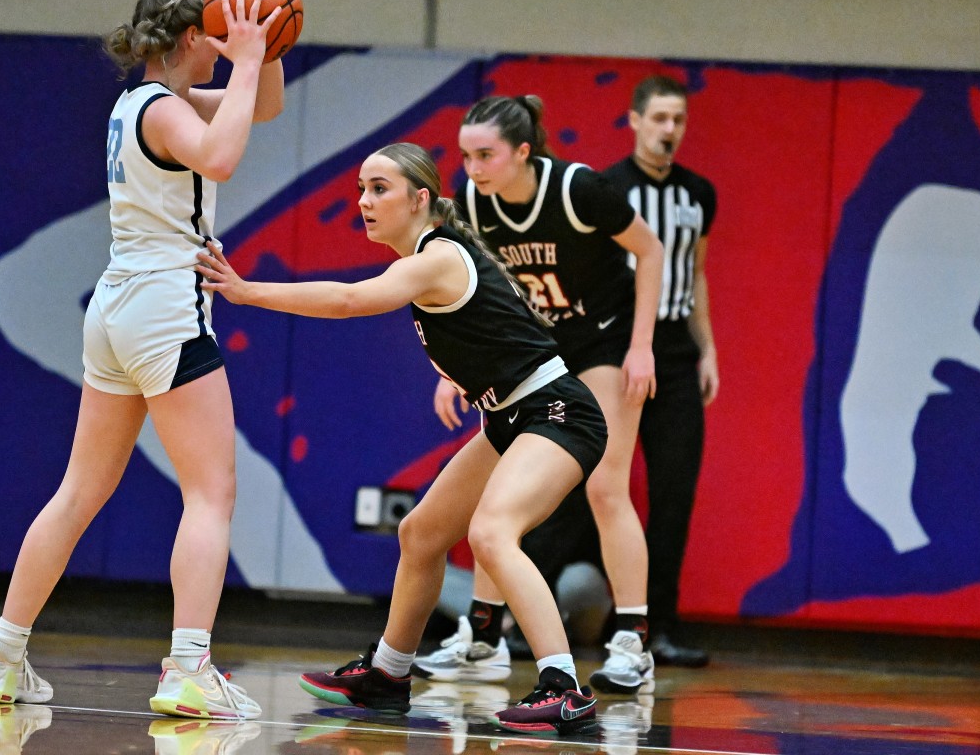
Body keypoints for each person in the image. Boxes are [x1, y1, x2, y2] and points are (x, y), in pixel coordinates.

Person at [196, 142, 606, 737]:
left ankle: (562, 689)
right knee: (421, 533)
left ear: (421, 200)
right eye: (361, 188)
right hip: (511, 414)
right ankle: (388, 674)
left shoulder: (434, 258)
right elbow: (492, 332)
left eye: (379, 189)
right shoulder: (432, 261)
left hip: (558, 412)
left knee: (493, 532)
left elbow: (347, 299)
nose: (364, 201)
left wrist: (246, 289)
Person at [0, 0, 285, 720]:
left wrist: (261, 48)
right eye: (215, 35)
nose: (223, 47)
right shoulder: (172, 114)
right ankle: (188, 668)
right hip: (164, 306)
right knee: (211, 492)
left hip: (115, 308)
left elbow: (260, 108)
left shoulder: (138, 104)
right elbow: (225, 156)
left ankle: (3, 657)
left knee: (78, 491)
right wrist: (243, 62)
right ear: (188, 41)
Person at [413, 95, 665, 696]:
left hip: (603, 341)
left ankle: (632, 640)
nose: (472, 168)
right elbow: (475, 294)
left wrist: (643, 346)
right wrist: (456, 370)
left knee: (606, 486)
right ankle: (481, 639)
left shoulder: (580, 191)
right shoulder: (472, 204)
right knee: (498, 496)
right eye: (466, 155)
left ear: (523, 152)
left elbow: (650, 251)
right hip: (533, 353)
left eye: (486, 155)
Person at [602, 75, 718, 667]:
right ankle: (524, 626)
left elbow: (695, 275)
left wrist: (708, 351)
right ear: (635, 120)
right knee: (588, 488)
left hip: (673, 350)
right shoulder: (605, 188)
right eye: (660, 118)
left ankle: (658, 629)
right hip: (613, 343)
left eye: (678, 119)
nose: (669, 130)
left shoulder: (697, 194)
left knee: (674, 492)